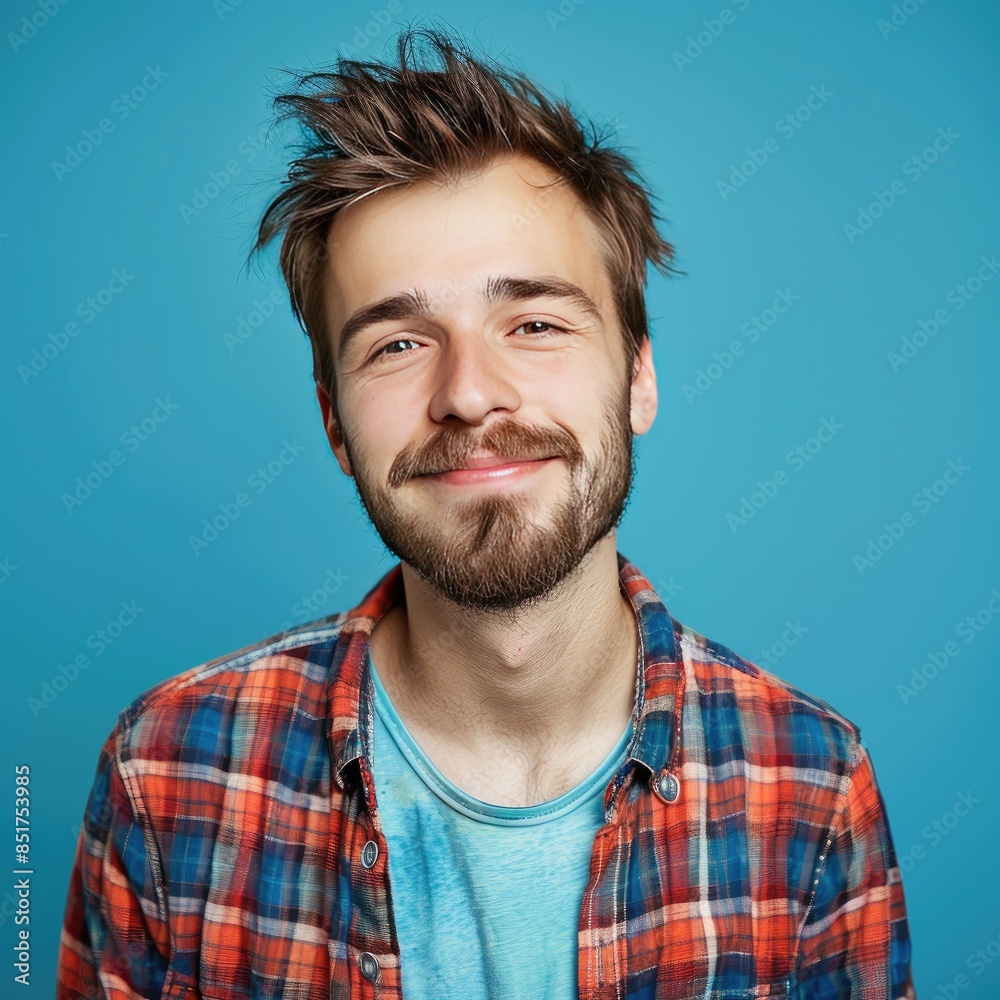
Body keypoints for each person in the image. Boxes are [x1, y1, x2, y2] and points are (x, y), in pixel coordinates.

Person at [56, 26, 915, 1000]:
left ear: (638, 377)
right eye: (397, 344)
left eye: (535, 323)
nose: (468, 393)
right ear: (334, 422)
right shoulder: (164, 773)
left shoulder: (813, 789)